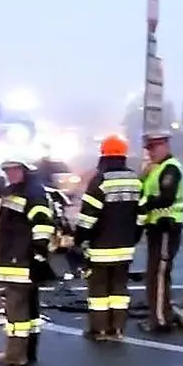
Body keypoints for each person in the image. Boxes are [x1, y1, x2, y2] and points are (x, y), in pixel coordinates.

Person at [75, 135, 147, 342]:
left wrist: (79, 240)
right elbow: (141, 215)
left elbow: (88, 217)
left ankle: (99, 330)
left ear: (104, 156)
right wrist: (134, 237)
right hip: (125, 247)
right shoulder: (135, 180)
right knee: (119, 290)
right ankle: (118, 329)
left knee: (98, 291)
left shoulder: (100, 180)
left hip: (101, 248)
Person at [0, 155, 56, 366]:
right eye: (7, 170)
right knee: (29, 310)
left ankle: (15, 355)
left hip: (20, 260)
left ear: (25, 169)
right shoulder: (16, 190)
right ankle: (27, 352)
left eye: (14, 169)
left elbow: (43, 224)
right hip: (15, 258)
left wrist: (38, 254)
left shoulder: (32, 192)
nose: (10, 173)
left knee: (16, 309)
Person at [140, 130, 183, 332]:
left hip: (166, 227)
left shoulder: (171, 169)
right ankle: (159, 314)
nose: (150, 153)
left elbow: (166, 198)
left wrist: (144, 205)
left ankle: (160, 320)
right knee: (155, 274)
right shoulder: (156, 169)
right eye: (149, 149)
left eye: (154, 148)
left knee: (158, 275)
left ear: (165, 146)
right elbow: (144, 192)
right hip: (156, 229)